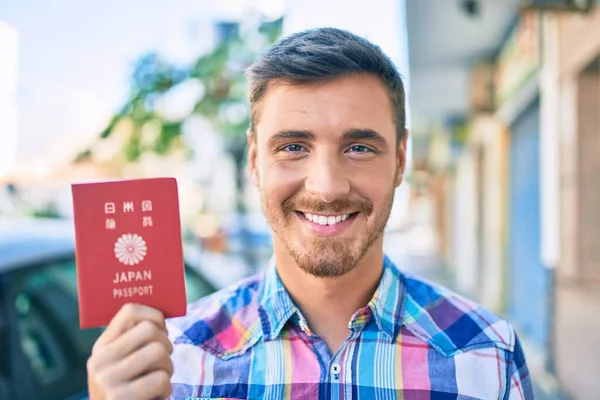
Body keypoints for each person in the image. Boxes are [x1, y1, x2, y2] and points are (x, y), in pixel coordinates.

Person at [86, 27, 534, 400]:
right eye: (293, 147)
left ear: (400, 160)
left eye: (358, 147)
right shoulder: (177, 359)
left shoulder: (486, 354)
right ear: (255, 161)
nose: (326, 186)